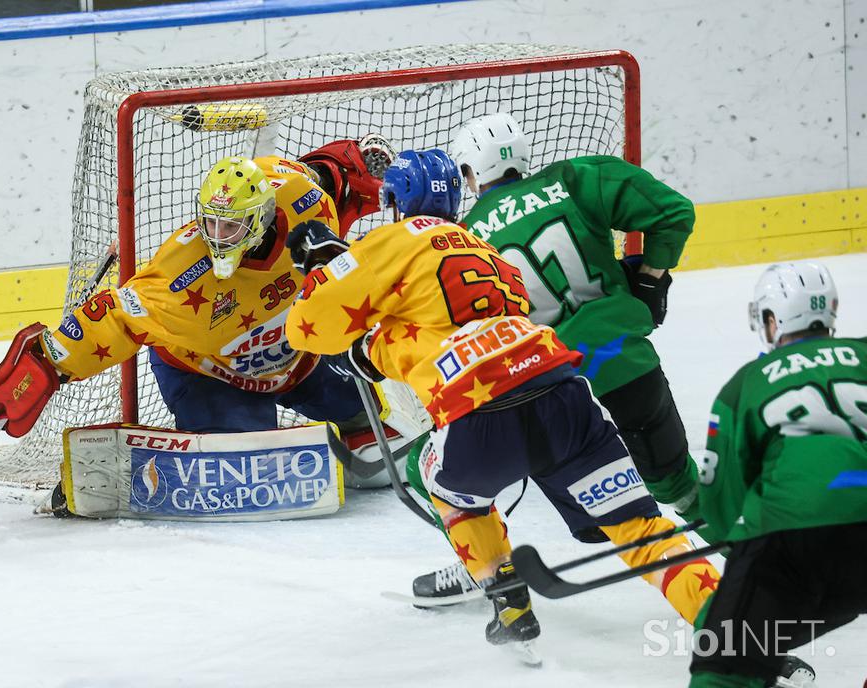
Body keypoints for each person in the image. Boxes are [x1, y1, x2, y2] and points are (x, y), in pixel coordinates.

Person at [283, 148, 718, 661]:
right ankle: (729, 620)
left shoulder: (389, 242)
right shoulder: (486, 248)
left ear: (397, 203)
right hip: (559, 384)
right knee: (641, 526)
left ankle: (506, 598)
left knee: (442, 484)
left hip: (479, 404)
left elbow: (309, 331)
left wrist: (322, 271)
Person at [0, 138, 400, 509]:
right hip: (209, 375)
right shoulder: (181, 275)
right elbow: (114, 314)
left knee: (373, 429)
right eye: (212, 224)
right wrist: (48, 362)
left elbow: (330, 173)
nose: (218, 238)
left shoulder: (303, 200)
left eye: (232, 227)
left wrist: (364, 168)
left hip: (298, 355)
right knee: (243, 460)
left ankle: (348, 430)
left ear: (261, 218)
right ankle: (128, 470)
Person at [409, 112, 706, 601]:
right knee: (675, 483)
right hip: (623, 360)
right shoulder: (575, 178)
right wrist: (650, 279)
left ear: (467, 174)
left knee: (465, 482)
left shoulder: (460, 241)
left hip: (549, 388)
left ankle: (485, 566)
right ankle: (729, 540)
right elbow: (673, 211)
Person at [689, 261, 866, 688]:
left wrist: (741, 556)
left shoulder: (746, 383)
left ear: (772, 319)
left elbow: (722, 502)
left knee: (721, 658)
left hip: (789, 537)